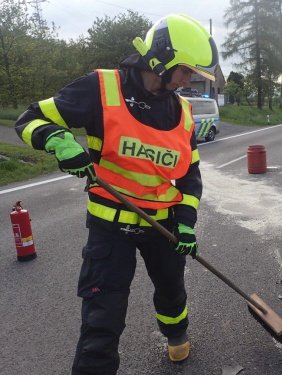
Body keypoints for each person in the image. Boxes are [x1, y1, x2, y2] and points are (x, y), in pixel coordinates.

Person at [15, 14, 218, 374]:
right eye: (186, 70)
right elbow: (29, 119)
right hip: (109, 230)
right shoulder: (101, 88)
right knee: (101, 321)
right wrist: (58, 139)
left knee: (172, 292)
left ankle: (176, 335)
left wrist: (186, 223)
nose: (190, 79)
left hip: (162, 226)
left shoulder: (182, 111)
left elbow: (190, 176)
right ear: (162, 58)